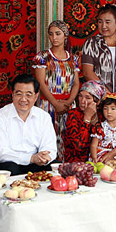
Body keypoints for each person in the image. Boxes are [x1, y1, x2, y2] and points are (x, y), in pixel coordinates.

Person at [0, 74, 57, 175]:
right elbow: (0, 152)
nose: (23, 99)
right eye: (19, 94)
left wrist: (43, 157)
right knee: (12, 169)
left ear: (36, 96)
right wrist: (30, 158)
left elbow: (49, 146)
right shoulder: (0, 117)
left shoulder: (43, 117)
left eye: (28, 95)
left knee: (55, 167)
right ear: (12, 94)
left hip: (35, 162)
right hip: (8, 162)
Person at [82, 4, 116, 125]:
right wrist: (105, 93)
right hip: (99, 99)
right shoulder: (91, 43)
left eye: (108, 22)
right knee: (98, 136)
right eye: (100, 22)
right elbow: (87, 72)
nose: (103, 26)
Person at [33, 20, 80, 159]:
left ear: (65, 36)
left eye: (58, 34)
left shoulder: (73, 58)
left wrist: (68, 102)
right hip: (48, 104)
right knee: (48, 137)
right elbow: (41, 83)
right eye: (51, 34)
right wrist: (56, 104)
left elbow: (76, 83)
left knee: (68, 137)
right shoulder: (42, 57)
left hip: (68, 105)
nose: (54, 38)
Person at [63, 81, 106, 162]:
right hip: (76, 162)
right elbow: (78, 145)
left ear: (97, 101)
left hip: (99, 160)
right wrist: (87, 118)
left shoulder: (102, 115)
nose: (83, 101)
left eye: (88, 98)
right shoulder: (73, 114)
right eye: (80, 96)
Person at [90, 94, 116, 163]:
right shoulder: (100, 127)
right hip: (103, 154)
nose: (109, 112)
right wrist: (94, 158)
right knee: (108, 162)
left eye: (113, 109)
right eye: (105, 109)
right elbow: (93, 145)